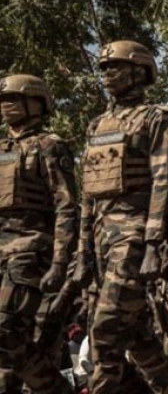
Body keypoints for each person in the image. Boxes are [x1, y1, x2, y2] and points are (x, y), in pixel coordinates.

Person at [78, 39, 168, 394]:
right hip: (101, 240)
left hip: (133, 237)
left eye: (115, 66)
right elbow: (88, 194)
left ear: (139, 71)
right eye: (103, 67)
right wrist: (82, 252)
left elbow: (163, 181)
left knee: (105, 330)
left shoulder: (155, 117)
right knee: (136, 336)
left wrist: (152, 243)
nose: (107, 73)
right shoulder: (96, 125)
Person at [0, 74, 78, 394]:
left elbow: (66, 206)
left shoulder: (49, 146)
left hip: (30, 252)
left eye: (13, 99)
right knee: (8, 362)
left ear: (35, 103)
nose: (5, 105)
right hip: (2, 252)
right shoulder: (1, 148)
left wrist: (60, 261)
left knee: (6, 333)